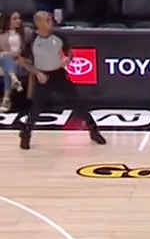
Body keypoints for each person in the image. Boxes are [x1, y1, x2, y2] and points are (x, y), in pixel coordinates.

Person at [15, 11, 106, 150]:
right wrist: (36, 72)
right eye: (47, 20)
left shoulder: (59, 36)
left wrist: (67, 59)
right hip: (43, 76)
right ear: (38, 23)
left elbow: (70, 51)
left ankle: (94, 131)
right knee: (36, 109)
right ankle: (26, 134)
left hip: (59, 74)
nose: (50, 22)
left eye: (50, 19)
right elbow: (21, 60)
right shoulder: (32, 40)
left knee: (78, 103)